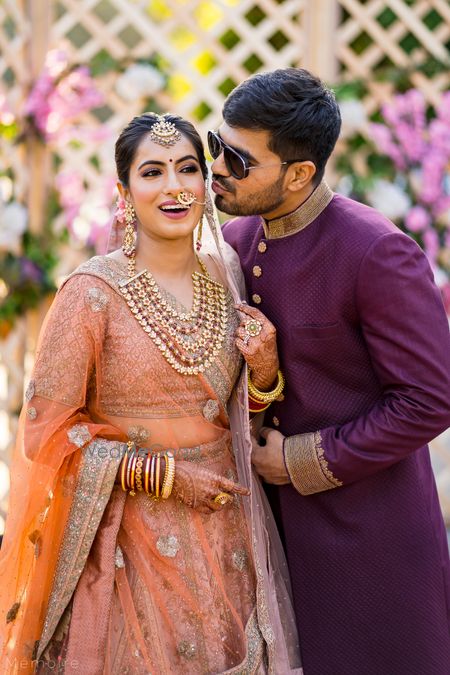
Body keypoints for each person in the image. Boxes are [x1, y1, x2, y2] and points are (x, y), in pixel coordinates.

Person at [0, 112, 302, 674]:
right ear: (124, 190)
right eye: (153, 172)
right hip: (129, 540)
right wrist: (161, 475)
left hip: (228, 527)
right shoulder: (92, 293)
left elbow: (239, 416)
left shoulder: (230, 273)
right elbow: (44, 433)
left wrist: (263, 371)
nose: (174, 187)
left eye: (188, 169)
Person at [212, 68, 450, 675]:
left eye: (239, 160)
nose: (218, 168)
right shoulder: (232, 242)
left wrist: (296, 460)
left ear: (299, 173)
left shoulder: (375, 250)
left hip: (369, 546)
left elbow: (429, 399)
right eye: (217, 147)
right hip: (262, 540)